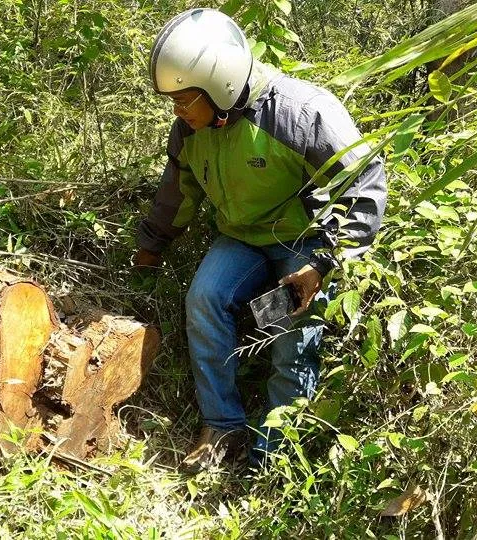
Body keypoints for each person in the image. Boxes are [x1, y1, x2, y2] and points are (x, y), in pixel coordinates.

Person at [136, 8, 387, 473]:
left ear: (220, 85)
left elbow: (366, 181)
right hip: (242, 240)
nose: (176, 111)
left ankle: (275, 458)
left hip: (306, 242)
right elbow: (178, 193)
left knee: (293, 340)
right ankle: (223, 430)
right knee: (205, 299)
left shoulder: (301, 113)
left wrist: (326, 261)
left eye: (184, 99)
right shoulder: (190, 130)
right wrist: (150, 246)